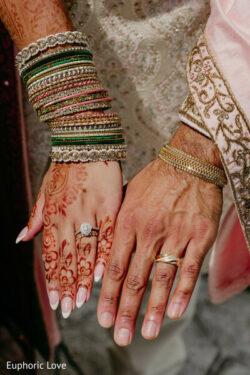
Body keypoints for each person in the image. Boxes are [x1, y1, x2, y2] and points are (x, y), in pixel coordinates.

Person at [0, 0, 248, 374]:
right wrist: (72, 110)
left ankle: (153, 363)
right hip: (37, 52)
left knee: (164, 240)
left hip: (191, 64)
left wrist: (199, 149)